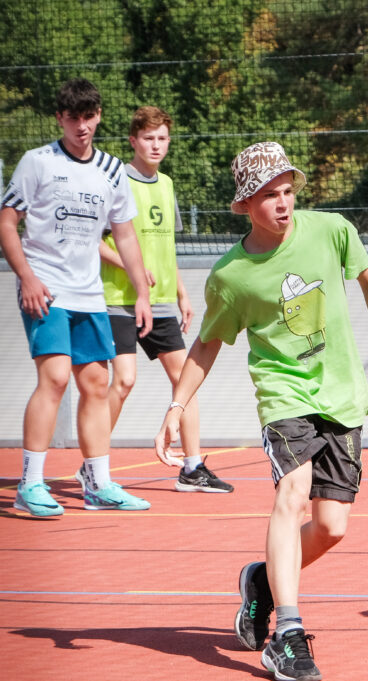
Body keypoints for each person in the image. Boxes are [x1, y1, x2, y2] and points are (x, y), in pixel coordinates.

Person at [155, 141, 368, 681]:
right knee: (291, 494)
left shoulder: (332, 230)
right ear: (245, 204)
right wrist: (177, 404)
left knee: (332, 527)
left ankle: (263, 583)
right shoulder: (232, 276)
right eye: (269, 195)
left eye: (288, 191)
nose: (282, 203)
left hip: (341, 395)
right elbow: (206, 344)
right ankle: (287, 634)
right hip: (284, 396)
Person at [3, 77, 154, 517]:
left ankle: (97, 483)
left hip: (89, 295)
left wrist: (141, 293)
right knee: (54, 379)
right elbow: (7, 221)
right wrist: (27, 278)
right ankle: (30, 484)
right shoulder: (37, 162)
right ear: (60, 119)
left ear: (98, 116)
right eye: (73, 118)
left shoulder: (110, 170)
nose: (81, 126)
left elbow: (124, 236)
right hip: (46, 288)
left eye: (88, 117)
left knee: (95, 384)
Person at [100, 106, 233, 493]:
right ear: (133, 141)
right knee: (124, 381)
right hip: (118, 301)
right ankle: (94, 464)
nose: (155, 145)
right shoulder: (114, 181)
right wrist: (131, 268)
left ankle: (192, 468)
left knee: (184, 383)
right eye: (148, 138)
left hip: (160, 303)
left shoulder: (167, 183)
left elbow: (167, 246)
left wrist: (181, 292)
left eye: (162, 139)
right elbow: (95, 241)